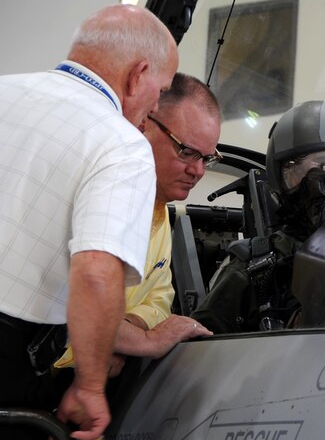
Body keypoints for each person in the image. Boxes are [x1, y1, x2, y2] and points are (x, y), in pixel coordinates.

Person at [0, 4, 178, 440]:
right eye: (161, 90)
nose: (153, 109)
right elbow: (98, 272)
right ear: (137, 76)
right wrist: (92, 386)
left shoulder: (4, 91)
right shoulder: (119, 145)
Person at [53, 73, 217, 378]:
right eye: (187, 151)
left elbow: (160, 298)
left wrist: (126, 332)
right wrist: (144, 341)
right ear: (143, 126)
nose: (197, 171)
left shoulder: (159, 213)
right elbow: (64, 306)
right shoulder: (96, 193)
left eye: (207, 158)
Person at [191, 100, 325, 333]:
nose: (315, 184)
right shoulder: (255, 271)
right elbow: (198, 351)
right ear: (280, 185)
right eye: (296, 170)